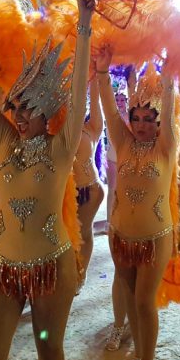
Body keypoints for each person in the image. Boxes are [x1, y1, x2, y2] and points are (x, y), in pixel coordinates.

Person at [0, 0, 94, 360]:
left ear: (47, 110)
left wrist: (84, 23)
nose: (18, 116)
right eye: (15, 107)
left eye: (27, 108)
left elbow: (78, 96)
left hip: (52, 267)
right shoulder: (5, 144)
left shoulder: (61, 148)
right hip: (2, 266)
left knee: (48, 349)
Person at [99, 52, 177, 360]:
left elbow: (171, 114)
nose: (142, 124)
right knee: (130, 298)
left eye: (149, 118)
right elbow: (108, 111)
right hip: (120, 236)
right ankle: (138, 353)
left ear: (160, 123)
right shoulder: (123, 141)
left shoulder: (166, 147)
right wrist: (101, 71)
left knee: (145, 301)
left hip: (155, 237)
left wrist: (171, 77)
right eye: (137, 117)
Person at [103, 80, 130, 352]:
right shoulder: (115, 132)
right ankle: (118, 324)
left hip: (148, 225)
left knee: (142, 286)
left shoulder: (155, 147)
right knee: (119, 274)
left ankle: (133, 324)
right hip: (122, 219)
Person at [72, 75, 104, 293]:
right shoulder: (53, 129)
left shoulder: (91, 128)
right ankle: (68, 272)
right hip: (62, 193)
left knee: (83, 232)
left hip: (89, 190)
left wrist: (93, 74)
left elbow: (95, 100)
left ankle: (79, 275)